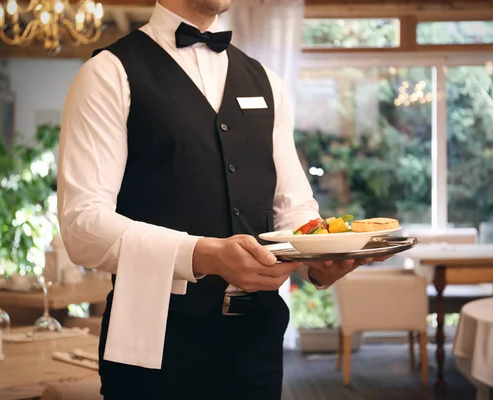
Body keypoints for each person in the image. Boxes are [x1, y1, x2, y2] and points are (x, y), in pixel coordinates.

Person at [58, 0, 386, 398]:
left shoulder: (266, 80)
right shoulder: (108, 73)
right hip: (154, 342)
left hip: (258, 341)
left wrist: (317, 260)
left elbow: (292, 206)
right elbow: (82, 225)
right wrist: (207, 255)